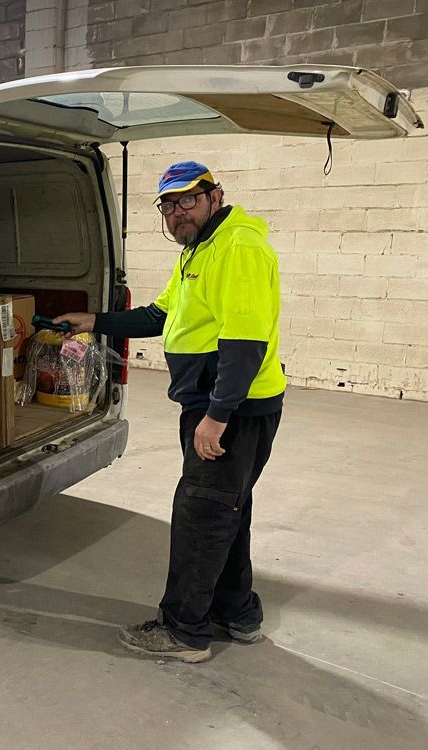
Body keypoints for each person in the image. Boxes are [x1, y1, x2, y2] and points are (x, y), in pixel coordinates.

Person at [54, 161, 285, 663]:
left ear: (214, 196)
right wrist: (95, 320)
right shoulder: (198, 251)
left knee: (200, 516)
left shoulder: (237, 247)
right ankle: (237, 613)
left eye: (188, 200)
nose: (178, 212)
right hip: (218, 402)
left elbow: (245, 341)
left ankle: (184, 631)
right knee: (226, 510)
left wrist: (217, 415)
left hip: (231, 409)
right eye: (169, 204)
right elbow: (161, 315)